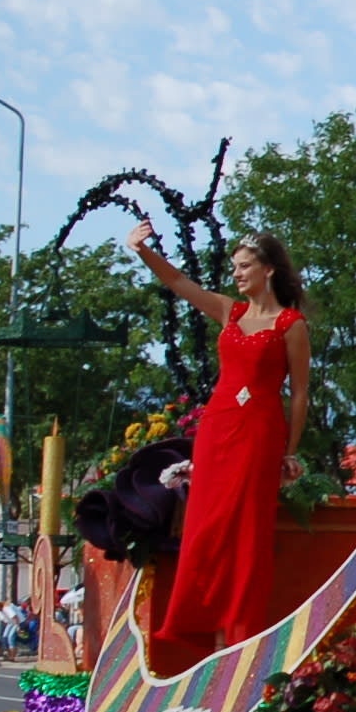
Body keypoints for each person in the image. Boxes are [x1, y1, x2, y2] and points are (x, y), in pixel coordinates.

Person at [126, 224, 313, 651]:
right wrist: (142, 250)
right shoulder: (229, 311)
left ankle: (240, 636)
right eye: (234, 268)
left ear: (267, 270)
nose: (237, 274)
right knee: (205, 528)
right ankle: (204, 631)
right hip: (217, 429)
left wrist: (290, 452)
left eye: (245, 266)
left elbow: (300, 394)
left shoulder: (291, 325)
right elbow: (177, 281)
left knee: (246, 531)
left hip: (260, 433)